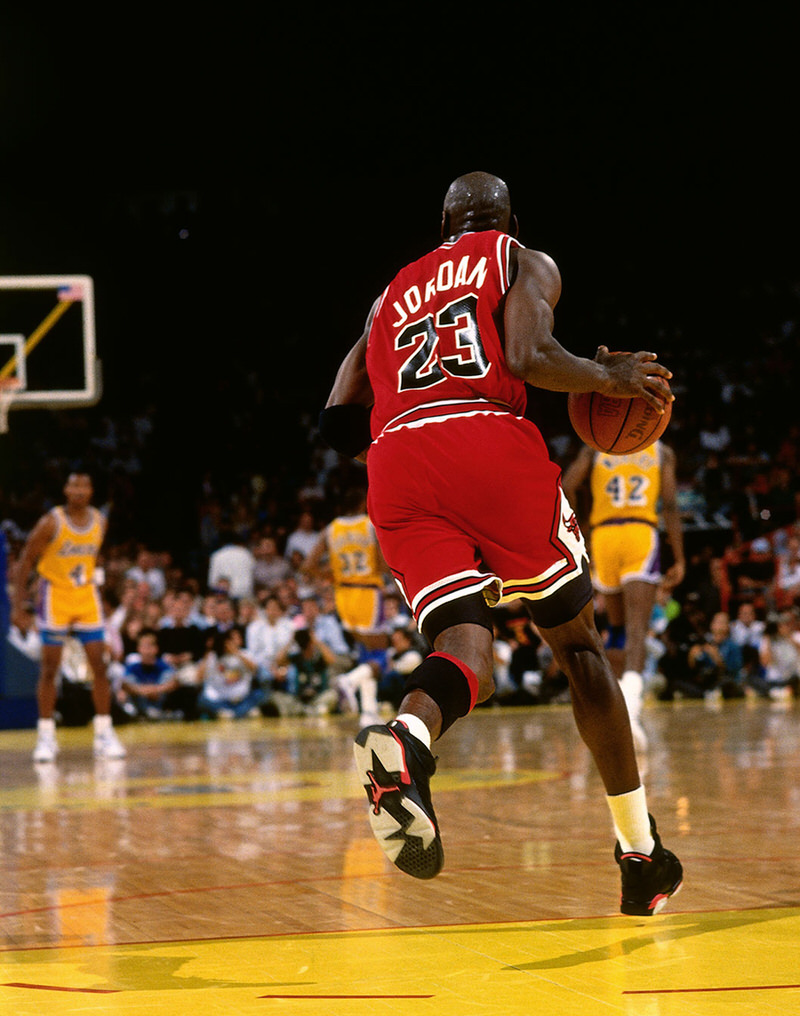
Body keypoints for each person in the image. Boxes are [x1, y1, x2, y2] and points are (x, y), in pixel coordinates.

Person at [319, 171, 682, 915]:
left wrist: (413, 446)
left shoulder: (388, 296)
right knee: (578, 648)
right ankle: (640, 853)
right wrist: (605, 378)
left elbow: (334, 422)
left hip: (396, 460)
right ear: (509, 219)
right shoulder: (521, 259)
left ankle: (408, 740)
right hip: (485, 439)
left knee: (465, 646)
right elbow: (525, 357)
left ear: (443, 223)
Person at [561, 438, 685, 750]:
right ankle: (630, 713)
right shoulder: (662, 450)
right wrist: (679, 556)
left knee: (614, 631)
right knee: (636, 631)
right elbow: (669, 504)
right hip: (640, 534)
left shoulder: (596, 444)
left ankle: (612, 710)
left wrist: (582, 526)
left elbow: (567, 485)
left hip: (604, 536)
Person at [11, 471, 126, 762]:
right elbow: (27, 559)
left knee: (99, 664)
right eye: (74, 484)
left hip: (85, 595)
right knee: (50, 668)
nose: (79, 490)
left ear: (91, 490)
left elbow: (91, 559)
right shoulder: (52, 521)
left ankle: (103, 732)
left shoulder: (100, 520)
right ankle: (46, 736)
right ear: (65, 489)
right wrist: (17, 605)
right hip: (55, 597)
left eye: (84, 485)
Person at [117, 628, 181, 719]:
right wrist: (143, 691)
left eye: (150, 646)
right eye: (144, 646)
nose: (147, 651)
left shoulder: (164, 666)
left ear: (156, 648)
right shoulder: (132, 667)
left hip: (159, 700)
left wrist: (156, 689)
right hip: (141, 701)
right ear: (138, 648)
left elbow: (174, 683)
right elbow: (125, 685)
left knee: (168, 678)